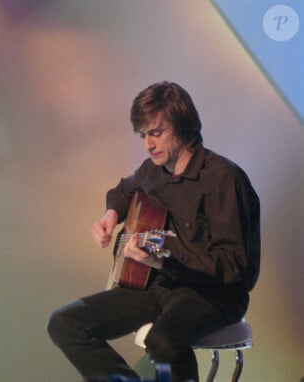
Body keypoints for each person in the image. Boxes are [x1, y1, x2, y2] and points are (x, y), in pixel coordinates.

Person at [47, 81, 260, 382]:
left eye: (156, 133)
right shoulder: (152, 171)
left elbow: (232, 267)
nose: (148, 144)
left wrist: (162, 260)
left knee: (162, 341)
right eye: (143, 135)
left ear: (183, 127)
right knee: (65, 323)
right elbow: (123, 190)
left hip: (214, 294)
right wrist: (111, 215)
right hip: (160, 286)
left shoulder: (224, 179)